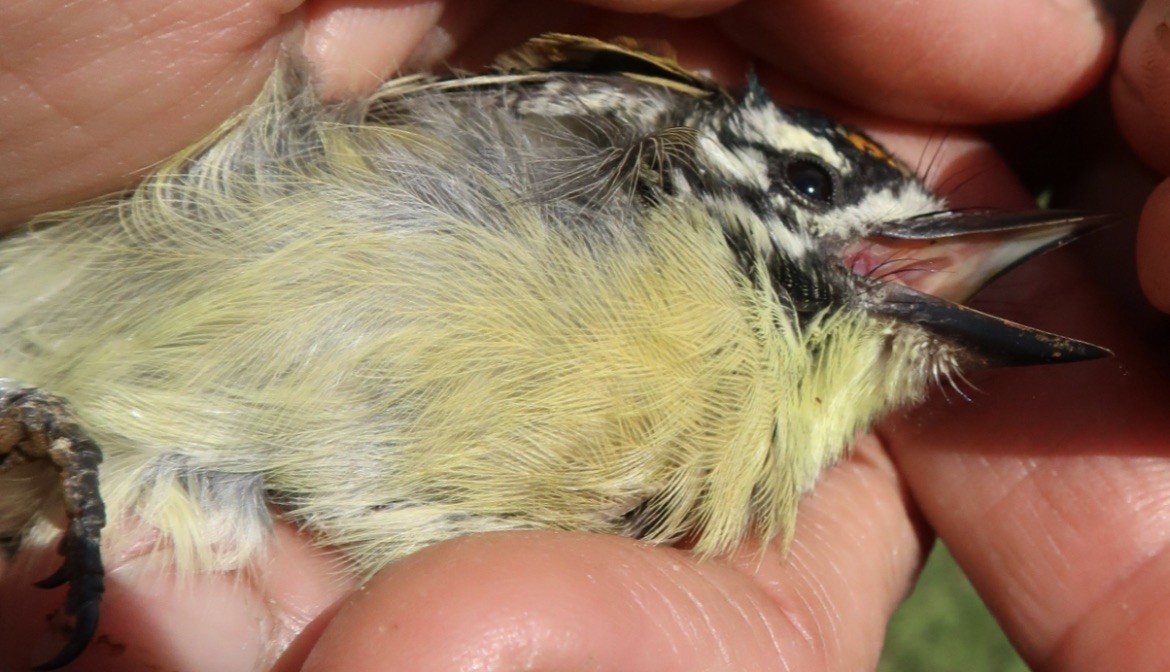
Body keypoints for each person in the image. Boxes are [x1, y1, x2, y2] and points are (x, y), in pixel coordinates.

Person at [1, 1, 1164, 669]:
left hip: (128, 454)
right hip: (88, 285)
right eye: (816, 196)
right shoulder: (654, 170)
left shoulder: (725, 459)